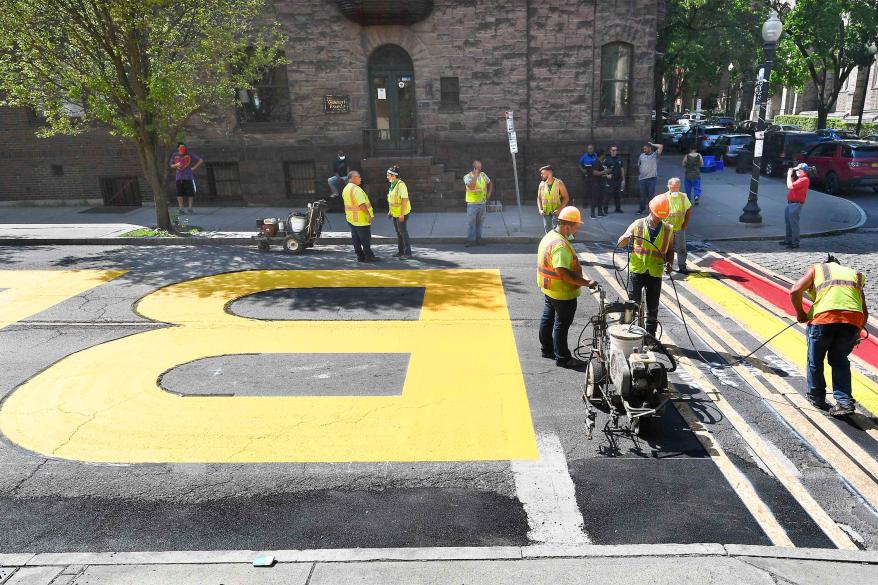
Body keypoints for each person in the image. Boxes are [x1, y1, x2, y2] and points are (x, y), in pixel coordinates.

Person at [789, 255, 868, 417]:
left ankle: (817, 397)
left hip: (824, 319)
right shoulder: (856, 274)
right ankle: (844, 403)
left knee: (815, 360)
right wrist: (857, 331)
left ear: (826, 264)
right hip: (852, 320)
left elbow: (795, 290)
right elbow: (863, 308)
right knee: (839, 361)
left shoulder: (817, 269)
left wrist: (800, 313)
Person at [537, 206, 597, 369]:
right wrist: (586, 283)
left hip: (549, 289)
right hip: (562, 292)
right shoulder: (561, 246)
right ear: (566, 226)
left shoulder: (549, 236)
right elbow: (563, 273)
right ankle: (563, 358)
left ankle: (547, 349)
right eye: (576, 227)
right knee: (561, 325)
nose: (576, 231)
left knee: (548, 318)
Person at [617, 193, 675, 340]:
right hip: (637, 271)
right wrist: (625, 238)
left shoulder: (668, 229)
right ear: (651, 210)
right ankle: (625, 332)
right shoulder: (637, 224)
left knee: (652, 308)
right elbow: (620, 243)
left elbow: (670, 250)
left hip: (655, 273)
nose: (659, 218)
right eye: (657, 215)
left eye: (662, 216)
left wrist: (669, 263)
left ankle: (650, 338)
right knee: (632, 304)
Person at [342, 171, 378, 262]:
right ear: (353, 178)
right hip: (361, 219)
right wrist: (368, 215)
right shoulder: (356, 189)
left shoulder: (346, 189)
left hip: (351, 219)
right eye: (359, 177)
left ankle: (360, 256)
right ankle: (369, 257)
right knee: (365, 240)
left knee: (356, 239)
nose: (360, 179)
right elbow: (361, 205)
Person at [661, 177, 693, 274]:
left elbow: (688, 211)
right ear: (668, 186)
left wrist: (686, 223)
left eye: (677, 188)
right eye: (673, 187)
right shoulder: (663, 197)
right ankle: (666, 266)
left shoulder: (683, 197)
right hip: (667, 228)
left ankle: (682, 267)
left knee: (681, 248)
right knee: (666, 248)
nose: (675, 190)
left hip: (679, 227)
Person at [780, 163, 810, 249]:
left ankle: (795, 243)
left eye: (798, 170)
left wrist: (789, 174)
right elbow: (793, 186)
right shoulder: (800, 179)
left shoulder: (804, 179)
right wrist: (792, 177)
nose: (797, 171)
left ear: (803, 171)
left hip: (796, 204)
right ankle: (788, 240)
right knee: (788, 223)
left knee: (794, 224)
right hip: (791, 203)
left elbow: (790, 186)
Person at [463, 160, 492, 246]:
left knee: (480, 222)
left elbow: (490, 183)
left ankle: (479, 239)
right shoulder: (467, 177)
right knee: (472, 223)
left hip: (482, 203)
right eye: (478, 167)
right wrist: (475, 175)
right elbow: (471, 186)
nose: (480, 169)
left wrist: (489, 193)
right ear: (474, 168)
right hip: (472, 204)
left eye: (480, 167)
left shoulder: (483, 175)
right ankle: (471, 240)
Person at [386, 165, 412, 258]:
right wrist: (390, 211)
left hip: (402, 213)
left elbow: (404, 200)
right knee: (398, 232)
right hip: (395, 213)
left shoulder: (401, 185)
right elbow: (391, 199)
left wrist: (402, 214)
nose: (387, 177)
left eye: (388, 175)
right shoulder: (393, 184)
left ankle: (408, 253)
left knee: (403, 232)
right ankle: (400, 252)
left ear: (393, 176)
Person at [169, 142, 203, 214]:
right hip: (179, 177)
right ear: (178, 148)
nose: (182, 148)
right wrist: (176, 165)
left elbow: (200, 160)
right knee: (179, 193)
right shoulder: (174, 155)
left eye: (184, 147)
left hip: (188, 177)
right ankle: (181, 209)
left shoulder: (189, 154)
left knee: (190, 194)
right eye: (181, 147)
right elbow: (171, 165)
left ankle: (190, 209)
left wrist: (193, 168)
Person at [537, 165, 570, 234]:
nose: (541, 175)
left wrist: (559, 209)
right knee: (548, 232)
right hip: (546, 212)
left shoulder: (559, 183)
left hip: (556, 212)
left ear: (549, 172)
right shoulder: (542, 184)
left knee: (557, 232)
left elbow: (566, 198)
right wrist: (540, 209)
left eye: (543, 173)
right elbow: (539, 198)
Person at [637, 141, 664, 214]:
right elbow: (639, 164)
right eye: (643, 149)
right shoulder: (641, 155)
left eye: (645, 149)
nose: (644, 150)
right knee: (642, 195)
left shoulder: (655, 155)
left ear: (649, 148)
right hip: (642, 179)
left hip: (651, 178)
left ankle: (651, 209)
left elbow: (661, 146)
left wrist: (652, 144)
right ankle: (641, 209)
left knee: (650, 195)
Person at [578, 144, 604, 218]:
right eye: (589, 149)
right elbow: (579, 164)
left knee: (595, 193)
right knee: (586, 190)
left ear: (593, 149)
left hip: (595, 176)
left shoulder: (596, 156)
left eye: (591, 148)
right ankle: (585, 204)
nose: (590, 150)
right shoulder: (584, 156)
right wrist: (583, 170)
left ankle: (596, 207)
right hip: (587, 174)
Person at [603, 145, 625, 214]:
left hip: (618, 180)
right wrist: (607, 175)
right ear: (610, 151)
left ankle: (618, 209)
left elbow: (622, 169)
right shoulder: (607, 159)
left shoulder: (619, 159)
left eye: (615, 150)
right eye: (613, 150)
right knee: (608, 195)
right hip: (610, 180)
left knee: (618, 195)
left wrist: (623, 179)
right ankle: (605, 210)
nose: (614, 151)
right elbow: (603, 168)